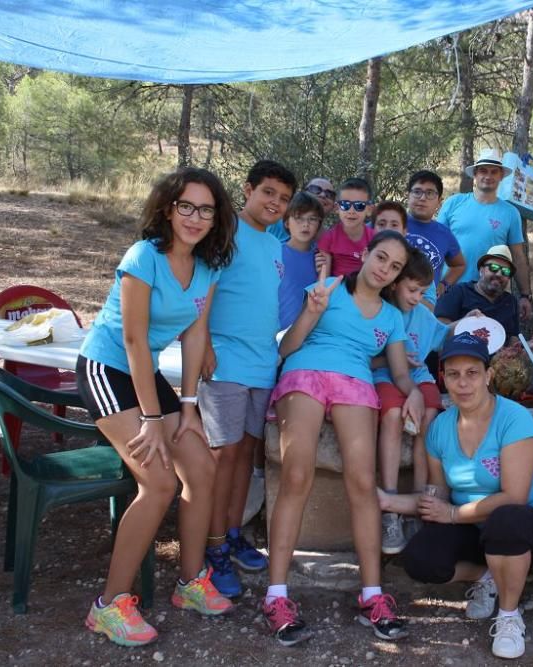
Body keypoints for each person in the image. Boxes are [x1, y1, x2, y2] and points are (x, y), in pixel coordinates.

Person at [76, 167, 236, 646]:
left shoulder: (207, 267)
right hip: (109, 369)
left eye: (205, 209)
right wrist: (151, 418)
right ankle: (109, 605)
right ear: (168, 208)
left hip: (148, 379)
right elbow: (132, 340)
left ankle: (189, 583)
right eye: (186, 206)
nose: (195, 217)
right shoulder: (143, 256)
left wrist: (187, 408)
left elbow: (194, 334)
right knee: (160, 481)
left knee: (201, 467)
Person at [262, 230, 423, 646]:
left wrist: (416, 393)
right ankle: (276, 596)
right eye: (380, 257)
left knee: (362, 483)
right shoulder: (328, 288)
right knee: (297, 475)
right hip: (305, 370)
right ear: (366, 253)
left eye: (395, 266)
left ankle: (373, 595)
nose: (384, 269)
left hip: (355, 381)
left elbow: (400, 371)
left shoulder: (392, 317)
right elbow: (288, 347)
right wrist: (312, 312)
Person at [386, 333, 533, 660]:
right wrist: (390, 502)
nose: (462, 383)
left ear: (488, 376)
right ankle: (488, 576)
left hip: (525, 526)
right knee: (420, 558)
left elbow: (515, 496)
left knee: (506, 519)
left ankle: (508, 615)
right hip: (474, 527)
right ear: (444, 378)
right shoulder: (439, 427)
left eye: (472, 373)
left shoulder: (513, 418)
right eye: (453, 374)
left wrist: (450, 515)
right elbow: (438, 494)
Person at [198, 160, 295, 597]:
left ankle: (233, 533)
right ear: (248, 190)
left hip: (262, 363)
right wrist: (204, 345)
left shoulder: (274, 245)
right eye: (268, 192)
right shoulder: (225, 233)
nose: (275, 203)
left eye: (284, 198)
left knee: (247, 456)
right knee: (222, 456)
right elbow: (203, 294)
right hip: (226, 363)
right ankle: (212, 546)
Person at [373, 248, 451, 555]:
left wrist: (467, 324)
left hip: (420, 379)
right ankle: (390, 507)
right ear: (395, 284)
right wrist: (389, 359)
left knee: (429, 417)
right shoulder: (380, 312)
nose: (418, 297)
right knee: (392, 416)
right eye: (413, 290)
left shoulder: (423, 316)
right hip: (385, 379)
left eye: (423, 291)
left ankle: (420, 502)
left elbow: (444, 336)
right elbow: (366, 357)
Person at [439, 149, 533, 321]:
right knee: (442, 341)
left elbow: (518, 257)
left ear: (501, 176)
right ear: (475, 174)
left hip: (488, 293)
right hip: (448, 287)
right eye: (483, 170)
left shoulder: (511, 213)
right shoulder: (454, 203)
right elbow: (437, 246)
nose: (488, 176)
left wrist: (525, 296)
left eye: (493, 171)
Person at [403, 170, 466, 306]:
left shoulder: (444, 234)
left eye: (430, 193)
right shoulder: (391, 222)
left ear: (439, 201)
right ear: (408, 195)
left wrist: (444, 284)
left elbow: (459, 265)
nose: (422, 198)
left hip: (423, 304)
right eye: (417, 191)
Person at [435, 245, 520, 343]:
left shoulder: (510, 301)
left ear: (509, 278)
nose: (499, 274)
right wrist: (465, 322)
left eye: (505, 271)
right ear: (481, 270)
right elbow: (438, 330)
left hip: (498, 357)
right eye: (494, 267)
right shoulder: (458, 291)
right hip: (461, 354)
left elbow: (514, 337)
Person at [279, 192, 326, 330]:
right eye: (299, 218)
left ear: (319, 224)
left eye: (312, 219)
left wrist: (322, 273)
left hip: (305, 335)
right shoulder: (274, 252)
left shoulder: (321, 256)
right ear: (287, 222)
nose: (306, 224)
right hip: (270, 332)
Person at [317, 177, 375, 277]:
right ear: (337, 208)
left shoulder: (375, 239)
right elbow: (323, 279)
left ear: (369, 209)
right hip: (335, 289)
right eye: (345, 205)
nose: (351, 211)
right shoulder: (329, 238)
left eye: (359, 205)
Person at [267, 176, 336, 242]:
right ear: (302, 193)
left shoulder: (332, 240)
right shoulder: (275, 223)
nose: (323, 195)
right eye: (315, 189)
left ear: (333, 206)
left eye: (329, 194)